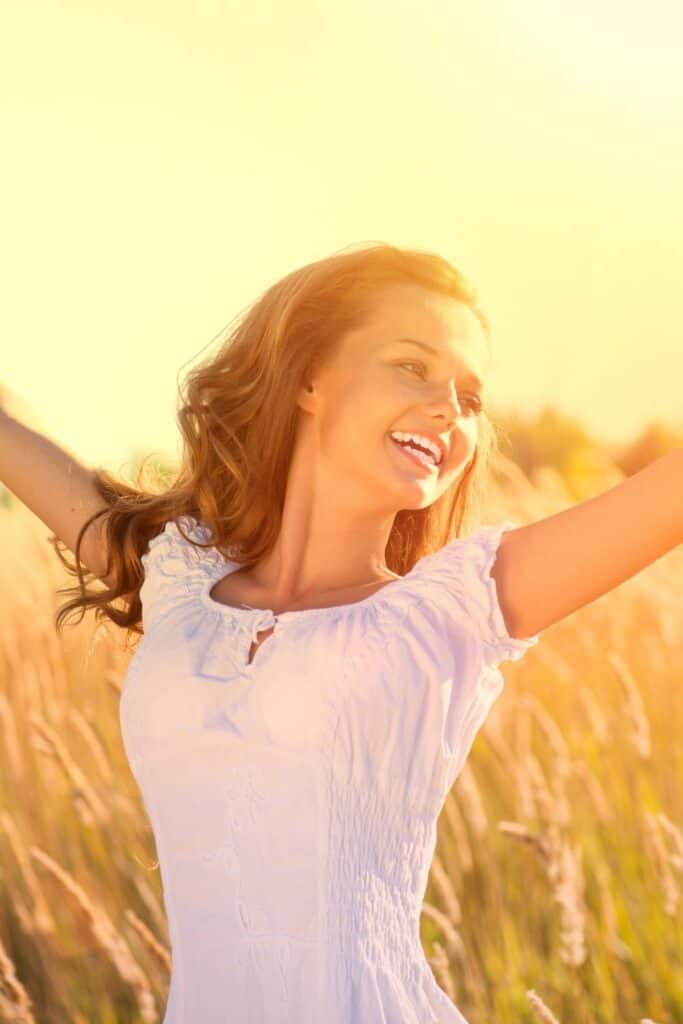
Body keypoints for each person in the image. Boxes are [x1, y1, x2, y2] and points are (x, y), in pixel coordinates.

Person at [3, 242, 680, 1022]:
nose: (446, 409)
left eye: (469, 397)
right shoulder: (178, 578)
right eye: (412, 366)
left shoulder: (444, 615)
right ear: (308, 378)